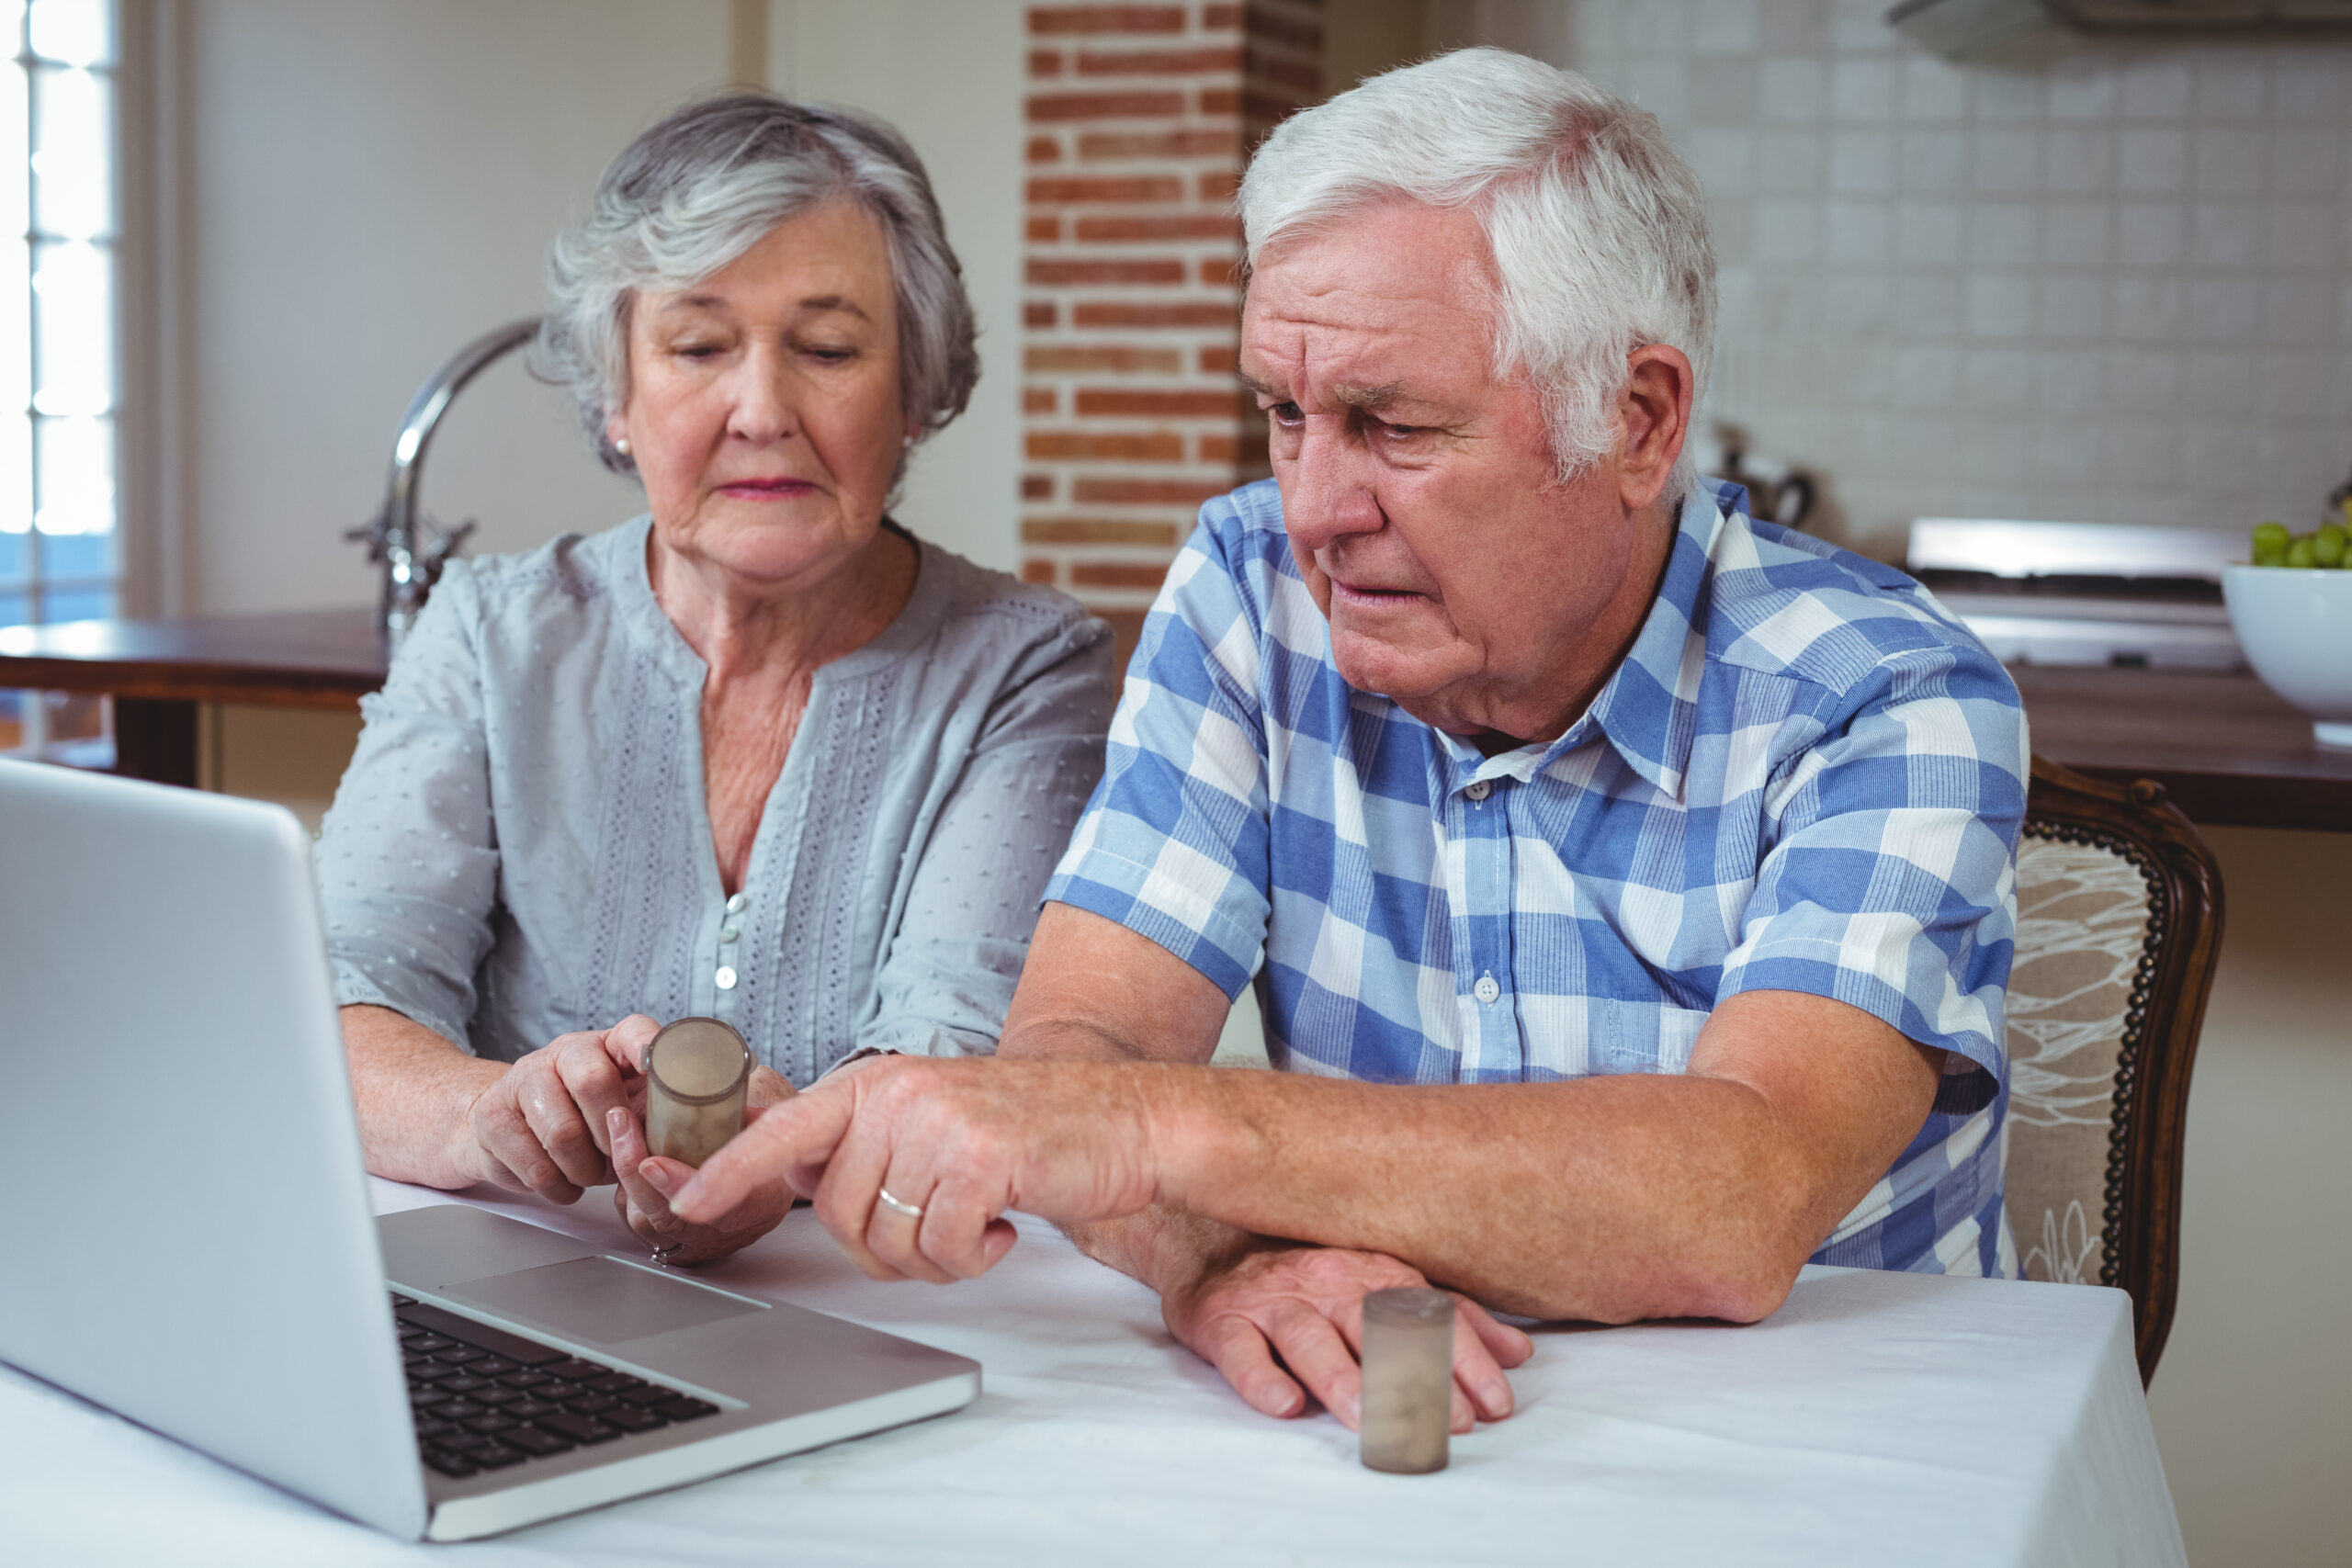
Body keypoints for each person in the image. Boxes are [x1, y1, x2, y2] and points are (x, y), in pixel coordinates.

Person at [672, 49, 2028, 1433]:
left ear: (1638, 420)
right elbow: (1083, 1044)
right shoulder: (1248, 591)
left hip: (1820, 1445)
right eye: (1284, 415)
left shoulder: (1891, 693)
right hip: (1382, 1418)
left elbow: (1738, 1195)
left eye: (1393, 426)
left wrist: (1147, 1131)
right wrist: (1213, 1257)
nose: (1316, 507)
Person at [318, 94, 1114, 1266]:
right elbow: (342, 998)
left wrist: (775, 1157)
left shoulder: (1025, 663)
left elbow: (957, 1059)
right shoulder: (491, 633)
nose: (761, 411)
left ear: (913, 394)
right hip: (521, 1293)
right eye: (697, 347)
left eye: (829, 349)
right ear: (617, 399)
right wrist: (489, 1119)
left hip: (873, 1306)